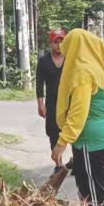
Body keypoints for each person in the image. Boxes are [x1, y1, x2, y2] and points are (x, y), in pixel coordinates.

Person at [51, 29, 104, 206]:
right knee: (87, 187)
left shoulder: (82, 72)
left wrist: (61, 143)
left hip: (90, 141)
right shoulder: (101, 67)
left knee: (93, 193)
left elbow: (78, 113)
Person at [36, 28, 66, 160]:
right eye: (55, 42)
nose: (59, 45)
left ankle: (77, 163)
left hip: (69, 102)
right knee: (54, 133)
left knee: (73, 132)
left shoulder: (70, 59)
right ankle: (58, 165)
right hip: (52, 103)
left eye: (61, 41)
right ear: (50, 44)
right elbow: (39, 84)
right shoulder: (44, 61)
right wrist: (40, 104)